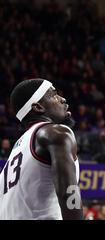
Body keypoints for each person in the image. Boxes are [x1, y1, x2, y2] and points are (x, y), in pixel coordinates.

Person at [0, 79, 82, 219]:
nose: (62, 99)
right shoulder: (57, 133)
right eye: (54, 95)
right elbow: (69, 191)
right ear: (38, 107)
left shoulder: (13, 156)